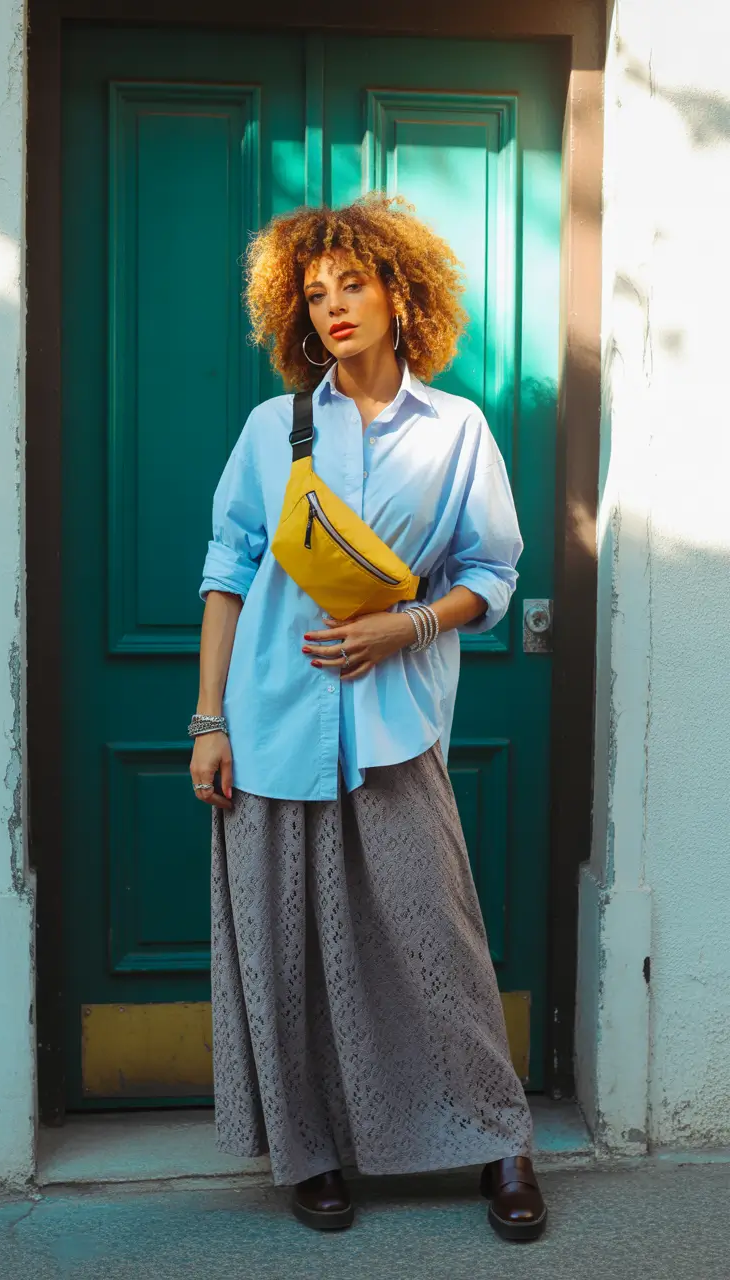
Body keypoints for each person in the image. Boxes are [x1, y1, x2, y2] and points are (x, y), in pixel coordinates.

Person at [190, 192, 546, 1242]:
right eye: (315, 291)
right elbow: (226, 572)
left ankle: (500, 1140)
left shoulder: (459, 431)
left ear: (402, 292)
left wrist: (411, 625)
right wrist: (209, 719)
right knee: (287, 949)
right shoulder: (275, 429)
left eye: (355, 282)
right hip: (268, 727)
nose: (335, 305)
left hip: (393, 724)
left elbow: (492, 570)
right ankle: (312, 1152)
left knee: (439, 944)